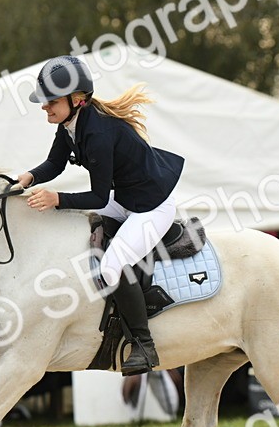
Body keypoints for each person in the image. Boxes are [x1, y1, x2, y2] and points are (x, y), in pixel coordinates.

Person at [16, 55, 185, 375]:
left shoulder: (99, 133)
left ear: (76, 99)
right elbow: (54, 164)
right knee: (68, 220)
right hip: (124, 197)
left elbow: (96, 195)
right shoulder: (71, 124)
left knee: (113, 264)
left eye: (51, 101)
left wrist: (56, 198)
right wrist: (28, 177)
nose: (44, 107)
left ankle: (144, 345)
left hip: (151, 205)